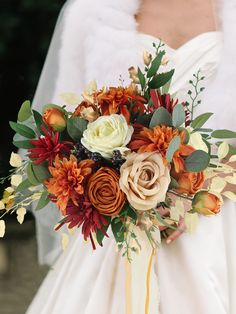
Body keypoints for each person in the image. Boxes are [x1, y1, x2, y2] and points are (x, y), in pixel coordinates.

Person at [25, 0, 236, 313]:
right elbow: (61, 130)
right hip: (120, 223)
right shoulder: (92, 12)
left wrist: (197, 189)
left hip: (219, 218)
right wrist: (105, 184)